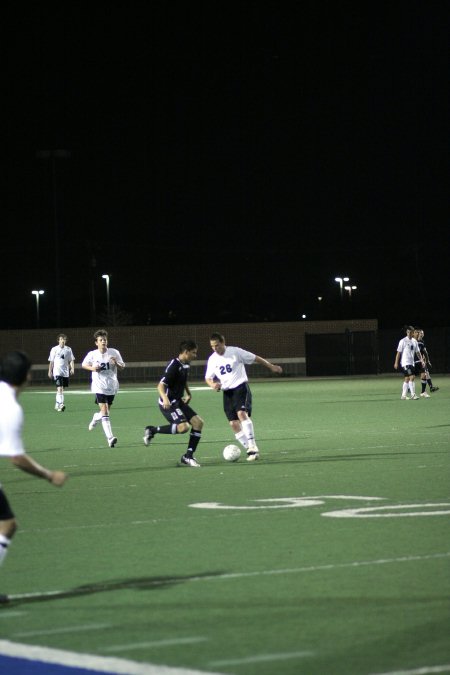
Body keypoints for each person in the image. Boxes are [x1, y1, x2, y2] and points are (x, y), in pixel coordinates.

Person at [0, 351, 67, 602]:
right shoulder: (10, 408)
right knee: (6, 525)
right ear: (25, 376)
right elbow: (16, 458)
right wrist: (49, 475)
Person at [205, 333, 283, 461]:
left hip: (240, 387)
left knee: (241, 414)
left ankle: (252, 445)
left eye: (217, 345)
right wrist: (213, 384)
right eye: (212, 346)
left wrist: (271, 366)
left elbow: (255, 358)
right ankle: (251, 451)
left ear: (223, 343)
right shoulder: (212, 359)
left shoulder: (235, 352)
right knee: (233, 424)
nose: (215, 348)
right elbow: (208, 378)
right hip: (227, 393)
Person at [143, 340, 203, 468]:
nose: (195, 355)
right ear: (186, 352)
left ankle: (188, 456)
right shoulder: (174, 365)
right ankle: (152, 430)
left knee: (198, 423)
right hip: (169, 403)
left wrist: (189, 393)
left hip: (178, 401)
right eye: (193, 353)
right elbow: (160, 385)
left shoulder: (186, 364)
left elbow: (183, 380)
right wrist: (165, 399)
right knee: (183, 427)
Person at [81, 329, 125, 448]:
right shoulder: (92, 354)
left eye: (105, 339)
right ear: (96, 342)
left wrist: (116, 363)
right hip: (98, 386)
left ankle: (96, 417)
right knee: (105, 411)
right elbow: (84, 364)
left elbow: (122, 367)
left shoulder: (114, 352)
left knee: (106, 412)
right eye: (101, 340)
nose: (103, 341)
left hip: (111, 385)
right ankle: (110, 438)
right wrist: (93, 369)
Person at [394, 326, 423, 400]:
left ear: (413, 333)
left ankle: (403, 396)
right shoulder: (403, 341)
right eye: (408, 332)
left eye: (410, 332)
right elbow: (398, 353)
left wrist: (422, 360)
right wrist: (396, 363)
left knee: (407, 379)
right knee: (412, 377)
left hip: (411, 363)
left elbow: (418, 352)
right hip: (405, 363)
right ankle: (413, 395)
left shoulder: (414, 341)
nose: (409, 333)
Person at [48, 333, 75, 412]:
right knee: (60, 389)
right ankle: (61, 404)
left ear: (66, 341)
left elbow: (71, 360)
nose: (63, 341)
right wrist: (49, 371)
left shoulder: (68, 349)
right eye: (61, 339)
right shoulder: (54, 349)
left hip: (65, 372)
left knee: (61, 389)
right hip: (57, 372)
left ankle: (57, 404)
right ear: (58, 340)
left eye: (64, 339)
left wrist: (72, 369)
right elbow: (51, 361)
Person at [416, 329, 439, 395]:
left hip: (421, 361)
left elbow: (425, 352)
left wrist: (427, 360)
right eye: (420, 333)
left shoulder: (422, 342)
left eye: (423, 333)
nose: (422, 334)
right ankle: (409, 388)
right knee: (411, 375)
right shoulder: (414, 341)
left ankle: (430, 387)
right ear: (418, 334)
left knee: (426, 373)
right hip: (415, 361)